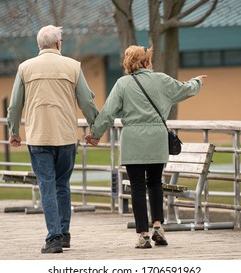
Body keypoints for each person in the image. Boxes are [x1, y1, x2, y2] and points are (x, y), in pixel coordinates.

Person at [85, 45, 207, 249]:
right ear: (146, 62)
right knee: (155, 183)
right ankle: (158, 226)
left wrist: (95, 134)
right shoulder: (161, 79)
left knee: (138, 188)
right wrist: (197, 82)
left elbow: (107, 112)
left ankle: (143, 235)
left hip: (133, 141)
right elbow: (185, 90)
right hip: (157, 140)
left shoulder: (122, 84)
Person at [7, 25, 99, 254]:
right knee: (62, 185)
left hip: (39, 136)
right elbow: (86, 101)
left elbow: (15, 104)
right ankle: (64, 234)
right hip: (66, 135)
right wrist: (95, 129)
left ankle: (54, 238)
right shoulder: (73, 66)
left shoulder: (25, 68)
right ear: (58, 44)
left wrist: (14, 131)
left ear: (39, 45)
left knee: (46, 185)